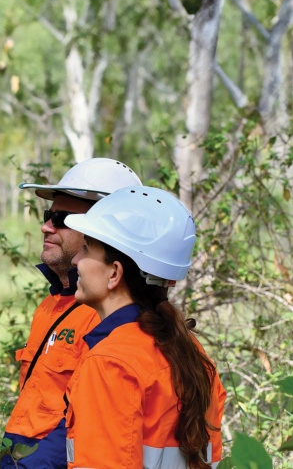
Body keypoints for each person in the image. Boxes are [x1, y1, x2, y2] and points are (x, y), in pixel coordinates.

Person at [63, 186, 226, 468]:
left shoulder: (111, 363)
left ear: (114, 272)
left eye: (87, 248)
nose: (76, 260)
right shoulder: (192, 352)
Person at [0, 158, 143, 468]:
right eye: (48, 215)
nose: (46, 226)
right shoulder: (51, 305)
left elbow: (89, 420)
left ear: (103, 232)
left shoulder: (110, 315)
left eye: (62, 218)